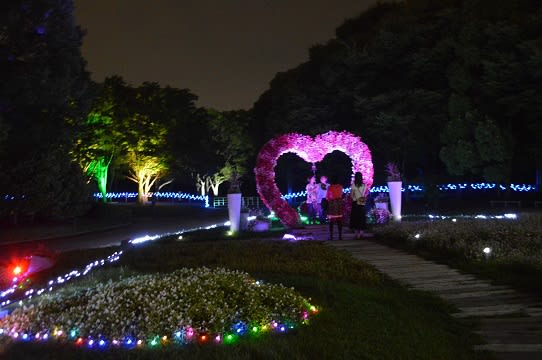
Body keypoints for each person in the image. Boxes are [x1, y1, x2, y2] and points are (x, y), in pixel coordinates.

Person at [350, 171, 368, 239]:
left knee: (355, 218)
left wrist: (354, 197)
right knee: (362, 217)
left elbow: (351, 195)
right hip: (362, 202)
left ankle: (357, 234)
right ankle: (362, 233)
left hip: (355, 203)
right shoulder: (364, 185)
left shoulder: (353, 185)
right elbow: (364, 194)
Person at [326, 175, 344, 240]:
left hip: (332, 204)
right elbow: (341, 195)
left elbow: (327, 196)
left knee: (331, 221)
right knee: (339, 221)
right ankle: (340, 236)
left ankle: (331, 236)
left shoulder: (330, 187)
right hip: (339, 203)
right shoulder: (340, 187)